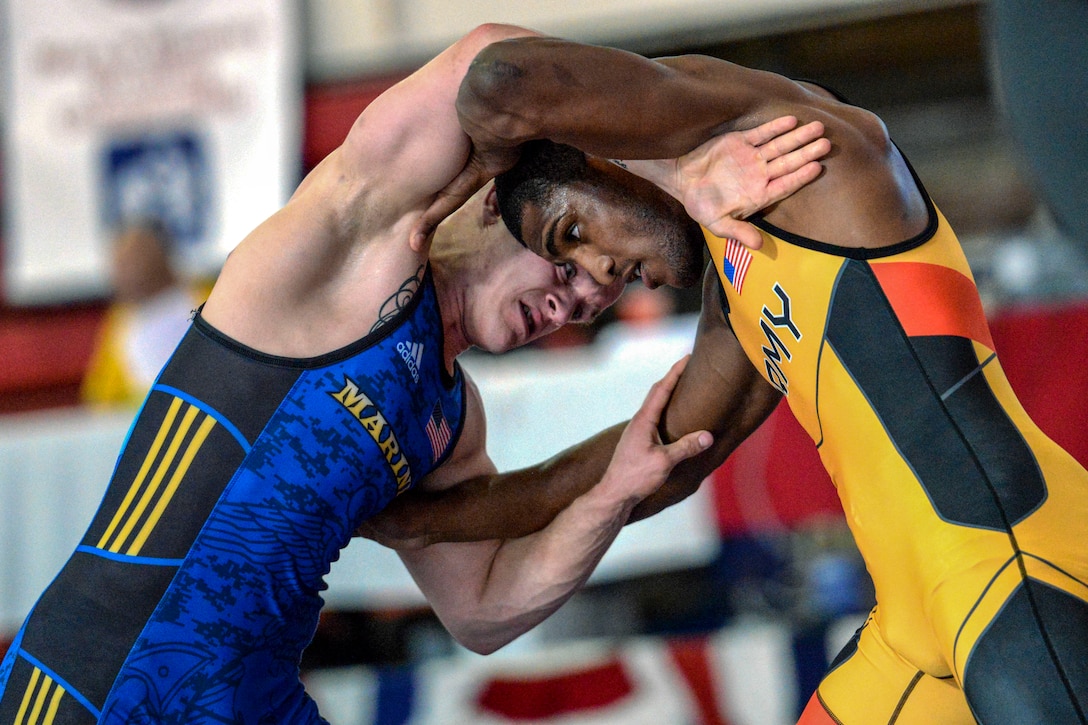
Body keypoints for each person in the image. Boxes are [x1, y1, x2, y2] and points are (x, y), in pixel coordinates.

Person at [0, 25, 829, 724]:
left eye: (601, 297)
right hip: (103, 680)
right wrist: (674, 165)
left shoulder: (450, 419)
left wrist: (612, 495)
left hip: (253, 697)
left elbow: (485, 609)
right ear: (502, 204)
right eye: (576, 262)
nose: (577, 303)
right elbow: (487, 60)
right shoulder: (345, 253)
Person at [367, 33, 1088, 724]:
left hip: (1013, 569)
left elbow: (501, 85)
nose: (597, 280)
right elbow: (659, 464)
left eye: (574, 234)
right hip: (911, 624)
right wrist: (404, 519)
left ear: (604, 152)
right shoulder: (735, 277)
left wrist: (488, 173)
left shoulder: (802, 143)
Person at [81, 220, 204, 408]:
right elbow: (100, 402)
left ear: (162, 255)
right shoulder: (120, 323)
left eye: (135, 257)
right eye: (120, 261)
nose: (124, 269)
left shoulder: (208, 302)